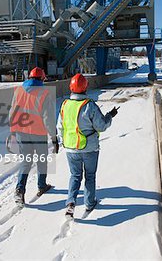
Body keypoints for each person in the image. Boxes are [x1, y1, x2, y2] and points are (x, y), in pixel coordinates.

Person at [57, 74, 118, 217]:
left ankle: (71, 202)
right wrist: (110, 116)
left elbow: (60, 127)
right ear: (85, 87)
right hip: (90, 148)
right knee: (90, 176)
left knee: (75, 175)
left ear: (71, 87)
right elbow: (101, 126)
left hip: (71, 148)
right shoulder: (89, 105)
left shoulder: (65, 105)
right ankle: (89, 203)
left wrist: (62, 142)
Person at [9, 67, 58, 205]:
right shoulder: (44, 93)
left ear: (29, 77)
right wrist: (54, 137)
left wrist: (13, 131)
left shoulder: (18, 91)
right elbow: (48, 118)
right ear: (42, 78)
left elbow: (12, 112)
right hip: (38, 133)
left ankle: (19, 190)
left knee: (26, 161)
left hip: (21, 133)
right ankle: (42, 185)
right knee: (42, 160)